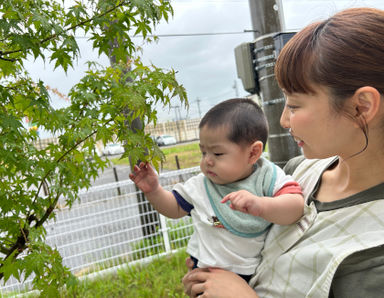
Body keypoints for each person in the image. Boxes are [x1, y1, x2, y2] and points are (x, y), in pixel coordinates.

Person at [182, 7, 384, 298]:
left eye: (295, 105)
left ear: (362, 106)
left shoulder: (374, 253)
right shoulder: (298, 171)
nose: (283, 120)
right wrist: (214, 276)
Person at [130, 98, 304, 282]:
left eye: (218, 153)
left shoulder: (268, 178)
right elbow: (174, 208)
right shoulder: (201, 186)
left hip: (248, 276)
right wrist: (154, 191)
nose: (208, 161)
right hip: (204, 270)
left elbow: (296, 207)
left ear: (253, 153)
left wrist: (261, 204)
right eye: (204, 152)